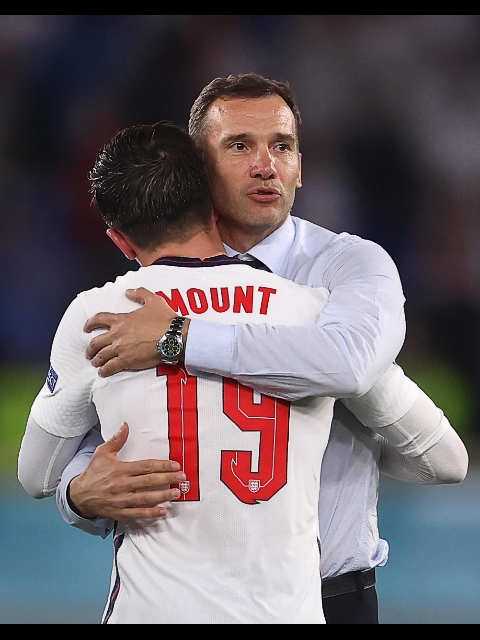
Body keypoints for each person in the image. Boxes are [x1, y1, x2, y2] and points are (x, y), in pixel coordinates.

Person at [53, 73, 468, 624]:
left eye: (282, 146)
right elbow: (95, 431)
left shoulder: (349, 266)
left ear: (300, 165)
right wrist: (78, 493)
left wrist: (182, 338)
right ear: (198, 170)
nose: (266, 165)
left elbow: (347, 365)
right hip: (182, 598)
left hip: (332, 595)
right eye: (239, 146)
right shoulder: (148, 288)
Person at [18, 120, 341, 624]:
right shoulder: (311, 309)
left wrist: (77, 494)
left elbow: (35, 473)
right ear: (214, 203)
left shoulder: (99, 315)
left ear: (121, 241)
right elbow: (444, 460)